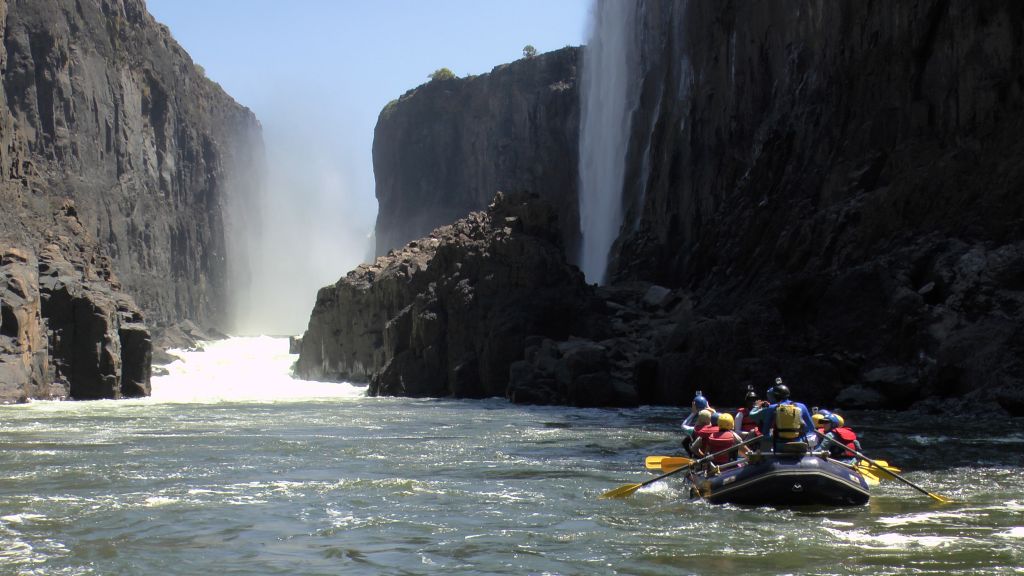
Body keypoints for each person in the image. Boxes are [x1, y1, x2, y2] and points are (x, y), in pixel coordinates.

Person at [752, 378, 816, 452]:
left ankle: (764, 459)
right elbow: (811, 428)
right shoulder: (801, 406)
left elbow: (765, 432)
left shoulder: (772, 408)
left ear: (775, 396)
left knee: (765, 440)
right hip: (800, 443)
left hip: (780, 445)